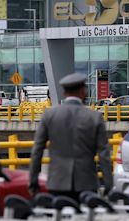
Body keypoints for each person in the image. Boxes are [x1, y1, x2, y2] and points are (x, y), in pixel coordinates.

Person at [29, 73, 113, 201]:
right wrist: (108, 184)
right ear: (83, 91)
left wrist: (33, 180)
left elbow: (37, 150)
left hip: (57, 181)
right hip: (86, 182)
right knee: (84, 220)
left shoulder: (50, 115)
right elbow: (104, 153)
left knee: (59, 217)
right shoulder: (94, 117)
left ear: (64, 93)